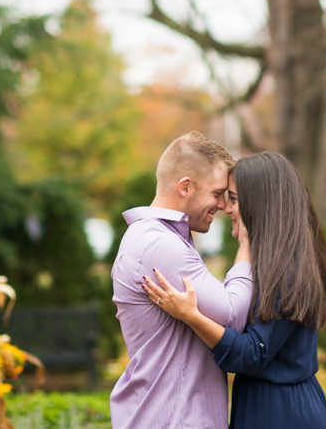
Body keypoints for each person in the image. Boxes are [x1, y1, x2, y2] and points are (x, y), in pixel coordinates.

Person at [143, 151, 326, 429]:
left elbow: (251, 353)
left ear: (260, 204)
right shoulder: (275, 263)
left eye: (234, 199)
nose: (226, 209)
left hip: (281, 412)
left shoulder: (287, 271)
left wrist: (190, 315)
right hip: (269, 403)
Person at [110, 132, 252, 429]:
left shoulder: (158, 238)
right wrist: (247, 249)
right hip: (174, 418)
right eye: (216, 193)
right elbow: (232, 317)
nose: (224, 207)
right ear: (185, 187)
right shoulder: (160, 246)